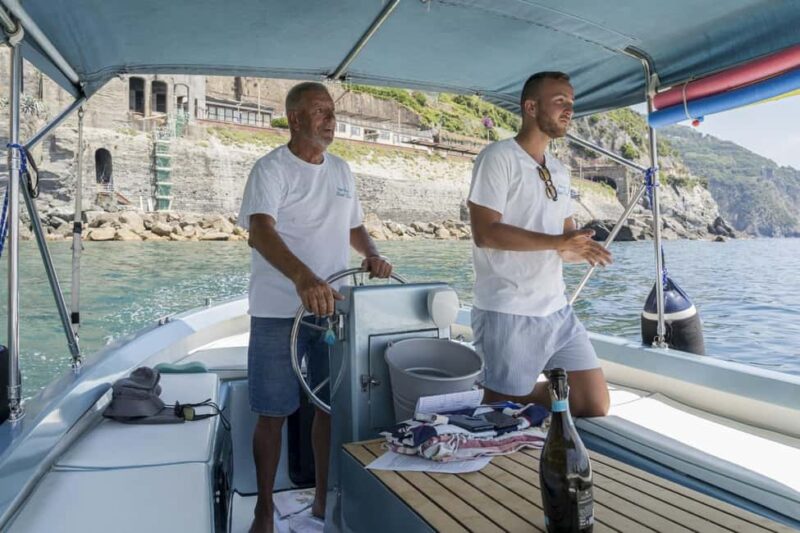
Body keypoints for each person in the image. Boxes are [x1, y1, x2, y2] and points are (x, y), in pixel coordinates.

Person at [237, 81, 392, 533]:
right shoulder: (270, 170)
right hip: (276, 309)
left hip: (331, 309)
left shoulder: (342, 171)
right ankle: (264, 509)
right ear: (295, 120)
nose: (330, 118)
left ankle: (323, 500)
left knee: (329, 406)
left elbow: (355, 227)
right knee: (273, 411)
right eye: (319, 111)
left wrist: (371, 253)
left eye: (331, 111)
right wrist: (303, 277)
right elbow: (260, 232)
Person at [467, 71, 612, 417]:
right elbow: (485, 233)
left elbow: (561, 241)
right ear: (530, 107)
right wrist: (558, 241)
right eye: (560, 101)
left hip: (556, 310)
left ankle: (516, 396)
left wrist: (577, 249)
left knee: (592, 403)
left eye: (572, 104)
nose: (569, 110)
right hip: (508, 309)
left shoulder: (560, 171)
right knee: (497, 413)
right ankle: (496, 397)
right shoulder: (498, 157)